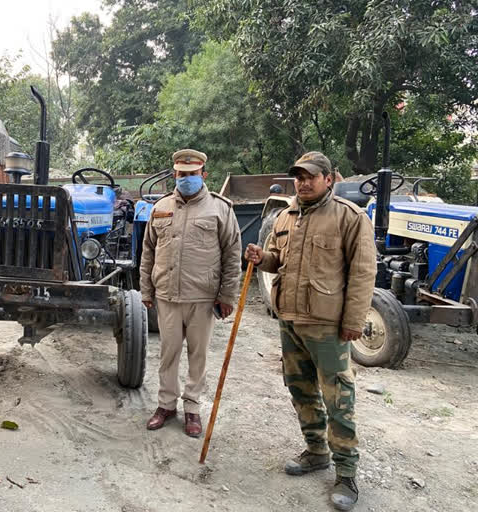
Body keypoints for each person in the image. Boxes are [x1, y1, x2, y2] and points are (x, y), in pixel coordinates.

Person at [244, 151, 376, 511]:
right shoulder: (285, 217)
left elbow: (363, 273)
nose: (303, 182)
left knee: (338, 398)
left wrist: (353, 321)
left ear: (329, 179)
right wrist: (261, 257)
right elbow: (276, 259)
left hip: (328, 324)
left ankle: (347, 473)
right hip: (290, 319)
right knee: (300, 389)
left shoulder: (349, 218)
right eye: (298, 177)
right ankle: (317, 451)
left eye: (310, 177)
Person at [140, 149, 242, 437]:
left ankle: (193, 408)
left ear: (203, 175)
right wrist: (146, 289)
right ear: (175, 174)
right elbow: (147, 251)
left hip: (203, 297)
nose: (187, 179)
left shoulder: (220, 209)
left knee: (198, 356)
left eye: (192, 174)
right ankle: (166, 405)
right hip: (167, 296)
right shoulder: (160, 207)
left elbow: (232, 255)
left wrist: (227, 296)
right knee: (167, 354)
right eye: (182, 175)